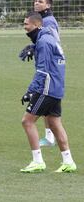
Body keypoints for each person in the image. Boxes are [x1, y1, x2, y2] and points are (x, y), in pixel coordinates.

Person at [19, 12, 76, 173]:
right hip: (57, 88)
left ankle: (38, 161)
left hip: (46, 88)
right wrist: (34, 48)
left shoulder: (43, 41)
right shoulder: (47, 38)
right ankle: (68, 161)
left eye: (26, 24)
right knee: (54, 123)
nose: (25, 28)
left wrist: (30, 91)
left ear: (36, 25)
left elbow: (42, 71)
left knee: (27, 121)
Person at [19, 0, 60, 147]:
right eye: (35, 0)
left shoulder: (49, 21)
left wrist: (34, 47)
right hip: (47, 65)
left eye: (40, 1)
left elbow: (52, 42)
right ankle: (50, 137)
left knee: (44, 95)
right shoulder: (42, 19)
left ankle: (49, 137)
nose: (36, 3)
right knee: (48, 102)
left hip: (50, 67)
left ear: (48, 5)